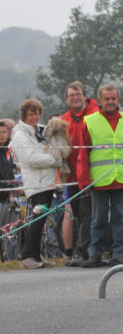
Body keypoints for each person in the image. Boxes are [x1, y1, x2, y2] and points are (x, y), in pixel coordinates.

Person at [77, 84, 123, 267]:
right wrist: (84, 179)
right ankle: (95, 253)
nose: (110, 102)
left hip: (122, 179)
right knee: (98, 218)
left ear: (119, 100)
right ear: (100, 100)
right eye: (106, 99)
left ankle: (119, 253)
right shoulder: (90, 121)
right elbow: (83, 153)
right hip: (99, 180)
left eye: (113, 98)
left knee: (121, 218)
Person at [9, 99, 62, 269]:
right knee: (36, 220)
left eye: (37, 114)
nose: (35, 117)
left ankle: (36, 256)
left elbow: (55, 146)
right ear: (24, 116)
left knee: (42, 221)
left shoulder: (40, 130)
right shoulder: (19, 135)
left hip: (48, 182)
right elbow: (30, 159)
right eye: (31, 114)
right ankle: (28, 257)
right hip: (36, 183)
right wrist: (55, 161)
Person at [60, 81, 100, 266]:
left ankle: (80, 251)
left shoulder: (94, 114)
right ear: (67, 99)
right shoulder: (64, 119)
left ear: (85, 95)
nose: (75, 98)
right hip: (71, 176)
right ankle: (79, 250)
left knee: (86, 214)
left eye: (78, 94)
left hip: (89, 174)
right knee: (75, 215)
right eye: (71, 95)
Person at [0, 121, 15, 223]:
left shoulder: (7, 149)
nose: (2, 135)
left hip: (6, 196)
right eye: (0, 132)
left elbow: (10, 171)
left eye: (4, 132)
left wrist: (12, 191)